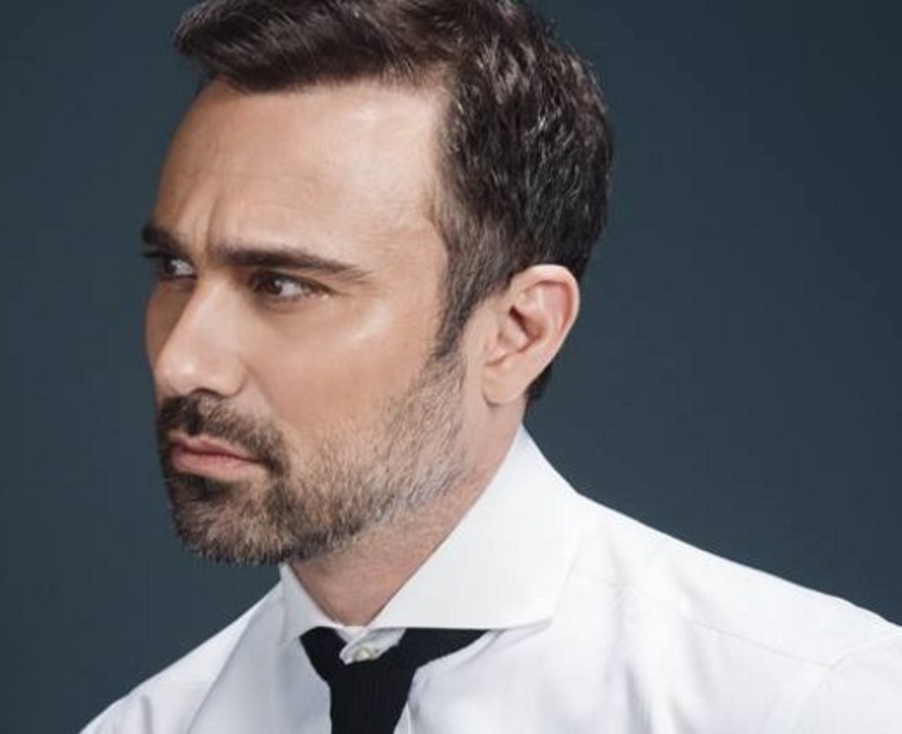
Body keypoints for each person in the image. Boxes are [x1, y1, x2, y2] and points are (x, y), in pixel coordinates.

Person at [82, 0, 902, 731]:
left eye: (284, 284)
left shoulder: (818, 706)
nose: (183, 361)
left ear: (517, 332)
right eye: (176, 269)